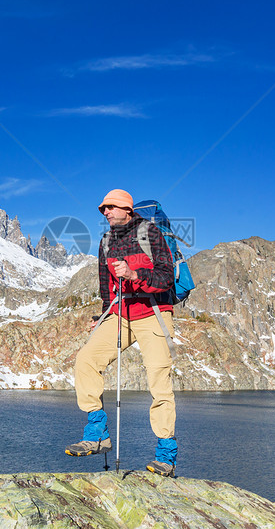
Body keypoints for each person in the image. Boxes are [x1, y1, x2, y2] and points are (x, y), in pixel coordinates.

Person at [64, 188, 178, 476]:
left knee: (158, 382)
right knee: (86, 360)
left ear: (127, 208)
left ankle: (166, 455)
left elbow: (165, 278)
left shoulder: (149, 233)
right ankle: (98, 433)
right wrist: (102, 316)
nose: (106, 212)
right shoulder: (105, 242)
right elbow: (106, 288)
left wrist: (134, 275)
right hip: (121, 314)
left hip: (154, 313)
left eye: (111, 207)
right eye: (103, 208)